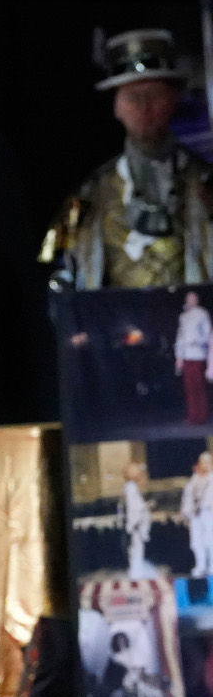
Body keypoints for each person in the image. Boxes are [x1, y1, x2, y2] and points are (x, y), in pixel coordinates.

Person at [40, 28, 213, 290]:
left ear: (173, 99)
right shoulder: (87, 193)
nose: (144, 108)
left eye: (154, 95)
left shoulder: (207, 182)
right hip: (119, 327)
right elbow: (53, 260)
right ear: (116, 107)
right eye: (133, 97)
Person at [175, 291, 213, 423]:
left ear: (197, 300)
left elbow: (208, 334)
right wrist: (179, 357)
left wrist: (198, 341)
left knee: (199, 386)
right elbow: (180, 337)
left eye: (193, 298)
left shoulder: (202, 314)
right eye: (188, 298)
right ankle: (192, 416)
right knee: (189, 387)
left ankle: (202, 416)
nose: (190, 301)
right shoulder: (183, 316)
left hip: (198, 355)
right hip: (186, 356)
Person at [122, 461, 155, 580]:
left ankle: (137, 571)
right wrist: (147, 505)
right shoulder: (130, 488)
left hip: (136, 525)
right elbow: (134, 508)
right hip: (135, 525)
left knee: (137, 550)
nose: (139, 474)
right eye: (136, 471)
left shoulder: (132, 487)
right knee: (136, 551)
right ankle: (136, 573)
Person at [182, 451, 213, 576]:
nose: (205, 465)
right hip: (195, 515)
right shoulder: (193, 480)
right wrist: (188, 512)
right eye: (203, 462)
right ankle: (200, 565)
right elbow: (187, 497)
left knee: (210, 540)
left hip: (209, 513)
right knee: (197, 541)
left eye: (208, 462)